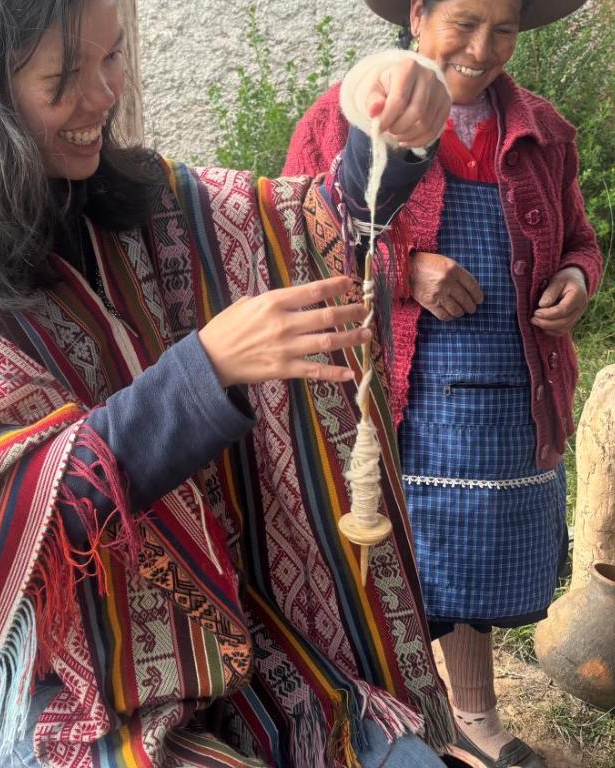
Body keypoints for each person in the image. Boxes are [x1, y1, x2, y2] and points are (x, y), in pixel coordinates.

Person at [0, 1, 458, 767]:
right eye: (65, 76)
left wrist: (388, 117)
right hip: (44, 684)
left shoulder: (130, 197)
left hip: (228, 638)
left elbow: (314, 224)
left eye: (112, 58)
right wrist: (204, 372)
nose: (103, 96)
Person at [283, 1, 602, 767]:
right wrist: (404, 269)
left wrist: (576, 277)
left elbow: (582, 240)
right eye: (464, 20)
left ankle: (473, 715)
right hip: (388, 393)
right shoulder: (348, 113)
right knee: (385, 554)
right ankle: (378, 714)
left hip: (503, 390)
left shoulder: (542, 129)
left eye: (504, 28)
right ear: (419, 15)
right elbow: (293, 235)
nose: (483, 48)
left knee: (475, 557)